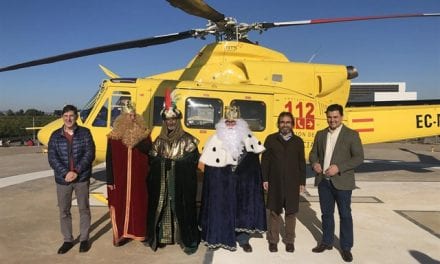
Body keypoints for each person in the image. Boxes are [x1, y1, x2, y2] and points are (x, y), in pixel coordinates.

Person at [199, 106, 266, 252]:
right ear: (223, 123)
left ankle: (243, 240)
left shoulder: (248, 137)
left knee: (243, 211)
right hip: (222, 181)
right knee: (220, 209)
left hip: (242, 182)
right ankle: (216, 238)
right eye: (228, 122)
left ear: (239, 122)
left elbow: (254, 161)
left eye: (233, 122)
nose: (230, 125)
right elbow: (208, 163)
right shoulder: (215, 138)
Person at [147, 89, 200, 254]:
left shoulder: (188, 140)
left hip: (181, 185)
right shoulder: (159, 140)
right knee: (163, 207)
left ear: (178, 120)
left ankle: (184, 238)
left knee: (182, 208)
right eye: (167, 120)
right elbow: (152, 159)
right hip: (163, 182)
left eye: (173, 119)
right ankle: (163, 237)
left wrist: (176, 165)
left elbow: (192, 160)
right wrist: (162, 163)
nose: (170, 123)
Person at [309, 104, 364, 263]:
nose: (332, 120)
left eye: (335, 117)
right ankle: (326, 242)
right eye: (329, 117)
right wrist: (315, 164)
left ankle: (346, 247)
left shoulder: (351, 135)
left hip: (342, 182)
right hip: (323, 182)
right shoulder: (320, 134)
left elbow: (358, 158)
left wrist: (339, 168)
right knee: (326, 214)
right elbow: (313, 154)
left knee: (345, 215)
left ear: (341, 117)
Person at [48, 104, 95, 254]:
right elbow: (52, 157)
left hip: (81, 178)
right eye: (66, 116)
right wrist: (65, 173)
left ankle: (84, 239)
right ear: (62, 117)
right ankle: (67, 240)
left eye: (71, 116)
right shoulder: (55, 135)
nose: (68, 119)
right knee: (64, 211)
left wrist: (76, 171)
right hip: (63, 180)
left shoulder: (85, 133)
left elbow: (89, 154)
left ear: (76, 117)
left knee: (84, 209)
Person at [106, 101, 152, 246]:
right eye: (128, 116)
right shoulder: (114, 137)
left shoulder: (144, 134)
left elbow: (149, 152)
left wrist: (138, 137)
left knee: (140, 206)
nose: (132, 118)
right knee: (120, 205)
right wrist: (110, 181)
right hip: (121, 180)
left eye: (133, 115)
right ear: (123, 117)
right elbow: (109, 160)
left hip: (139, 178)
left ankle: (140, 233)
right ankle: (122, 234)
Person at [261, 111, 306, 253]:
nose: (285, 125)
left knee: (291, 213)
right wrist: (265, 179)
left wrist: (302, 181)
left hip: (292, 182)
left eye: (287, 122)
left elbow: (301, 163)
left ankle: (289, 240)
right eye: (282, 122)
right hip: (275, 182)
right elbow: (265, 161)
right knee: (274, 212)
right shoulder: (271, 139)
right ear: (278, 124)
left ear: (292, 124)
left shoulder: (298, 141)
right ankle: (273, 240)